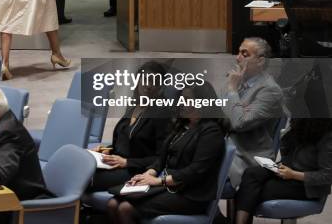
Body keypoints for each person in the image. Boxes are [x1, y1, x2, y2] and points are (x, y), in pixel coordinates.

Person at [106, 84, 226, 223]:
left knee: (125, 208)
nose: (181, 103)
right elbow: (161, 158)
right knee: (112, 204)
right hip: (168, 186)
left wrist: (159, 181)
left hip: (190, 195)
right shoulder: (182, 125)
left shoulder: (211, 132)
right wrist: (149, 173)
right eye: (181, 99)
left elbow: (195, 171)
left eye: (187, 100)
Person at [89, 61, 173, 191]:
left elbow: (161, 157)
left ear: (160, 86)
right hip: (116, 164)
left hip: (135, 170)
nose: (148, 85)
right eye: (144, 79)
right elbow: (125, 139)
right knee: (79, 165)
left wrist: (126, 162)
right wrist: (108, 150)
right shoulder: (134, 105)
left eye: (154, 82)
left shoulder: (162, 114)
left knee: (83, 177)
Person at [234, 118, 332, 224]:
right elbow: (288, 155)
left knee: (257, 189)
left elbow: (327, 176)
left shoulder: (327, 135)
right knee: (251, 174)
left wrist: (293, 174)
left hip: (307, 186)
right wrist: (288, 133)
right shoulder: (302, 125)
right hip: (288, 172)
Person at [224, 37, 283, 187]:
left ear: (260, 61)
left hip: (246, 155)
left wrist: (232, 92)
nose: (237, 58)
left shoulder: (270, 90)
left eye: (245, 54)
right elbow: (220, 115)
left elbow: (239, 123)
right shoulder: (237, 79)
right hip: (225, 145)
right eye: (238, 53)